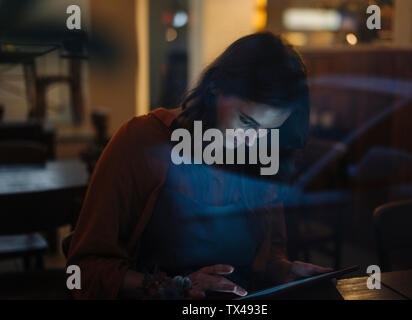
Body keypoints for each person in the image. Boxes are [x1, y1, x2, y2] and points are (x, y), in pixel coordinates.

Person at [67, 32, 331, 300]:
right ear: (216, 86)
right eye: (246, 122)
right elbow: (85, 269)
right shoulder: (142, 141)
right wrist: (172, 286)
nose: (254, 142)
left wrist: (284, 270)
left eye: (269, 130)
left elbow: (268, 256)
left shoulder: (260, 156)